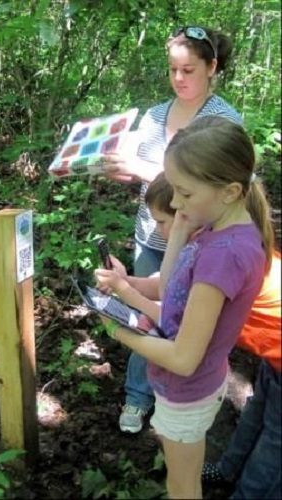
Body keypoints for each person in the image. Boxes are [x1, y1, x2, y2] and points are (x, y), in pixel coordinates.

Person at [95, 116, 274, 499]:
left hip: (186, 389)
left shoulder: (224, 256)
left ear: (229, 191)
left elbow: (183, 357)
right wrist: (177, 230)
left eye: (185, 194)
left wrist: (118, 330)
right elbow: (176, 288)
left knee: (182, 486)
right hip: (188, 387)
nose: (175, 203)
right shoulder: (216, 229)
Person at [102, 26, 243, 433]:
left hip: (201, 238)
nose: (180, 79)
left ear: (212, 67)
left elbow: (216, 185)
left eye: (189, 70)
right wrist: (120, 169)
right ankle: (137, 396)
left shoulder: (223, 120)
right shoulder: (156, 115)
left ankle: (184, 396)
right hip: (153, 231)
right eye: (173, 70)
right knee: (140, 309)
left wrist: (142, 170)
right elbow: (146, 174)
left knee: (184, 318)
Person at [201, 252, 281, 499]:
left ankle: (246, 494)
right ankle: (227, 470)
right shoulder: (239, 252)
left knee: (274, 442)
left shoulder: (229, 268)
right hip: (275, 360)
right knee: (255, 414)